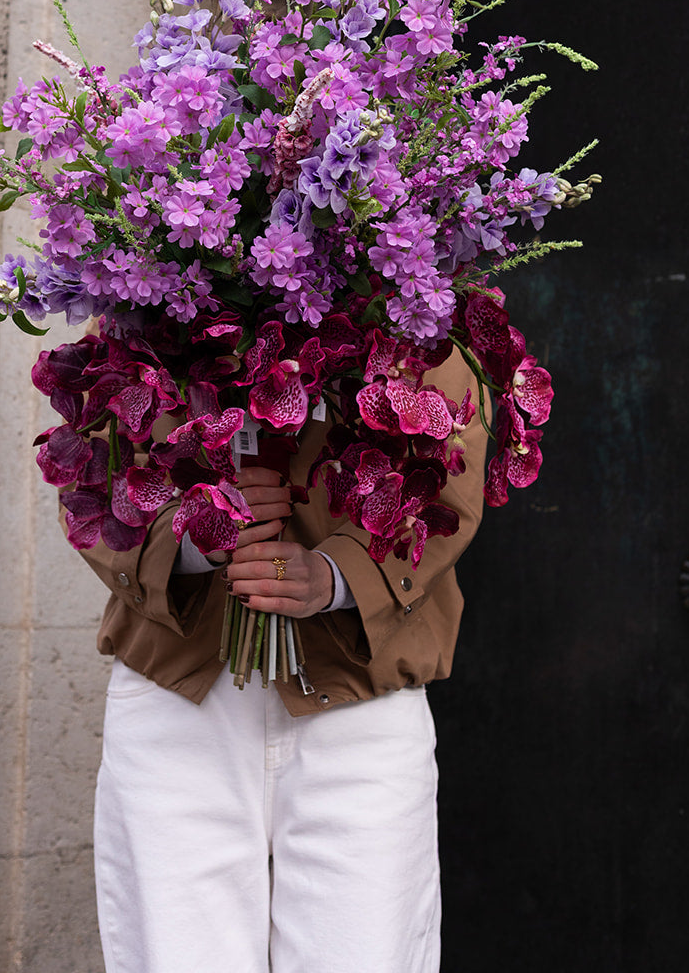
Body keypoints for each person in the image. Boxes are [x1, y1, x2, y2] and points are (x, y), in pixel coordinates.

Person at [61, 344, 488, 973]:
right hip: (180, 702)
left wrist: (339, 576)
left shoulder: (417, 289)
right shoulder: (138, 271)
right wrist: (192, 539)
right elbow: (89, 469)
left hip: (355, 702)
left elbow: (451, 467)